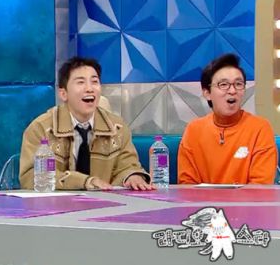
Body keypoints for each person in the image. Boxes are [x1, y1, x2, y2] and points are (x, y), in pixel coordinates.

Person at [20, 57, 151, 191]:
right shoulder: (41, 129)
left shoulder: (117, 128)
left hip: (105, 202)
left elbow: (128, 166)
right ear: (63, 93)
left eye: (94, 82)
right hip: (57, 203)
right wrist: (83, 182)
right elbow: (30, 176)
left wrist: (131, 176)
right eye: (80, 82)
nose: (89, 88)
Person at [178, 53, 278, 185]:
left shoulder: (260, 128)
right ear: (207, 93)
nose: (232, 91)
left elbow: (260, 186)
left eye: (238, 84)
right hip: (203, 200)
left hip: (248, 199)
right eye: (223, 84)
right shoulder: (193, 130)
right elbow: (187, 185)